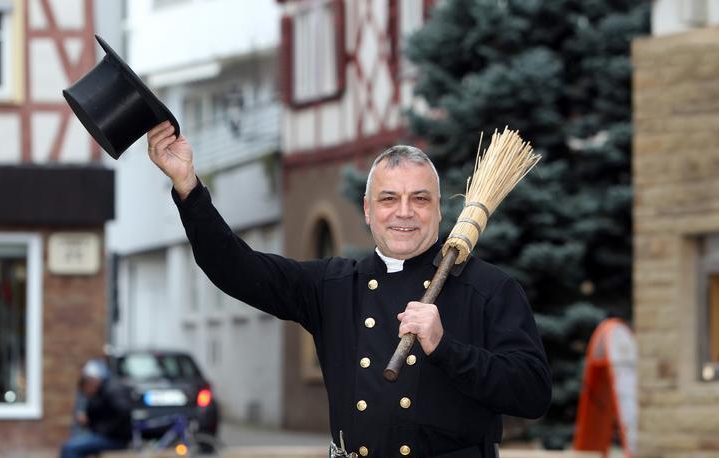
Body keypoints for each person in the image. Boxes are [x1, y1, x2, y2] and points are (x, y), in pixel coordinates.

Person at [147, 121, 552, 458]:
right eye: (389, 198)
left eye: (420, 199)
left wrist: (446, 347)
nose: (404, 212)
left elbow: (533, 394)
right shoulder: (335, 286)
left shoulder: (488, 289)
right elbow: (235, 267)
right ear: (367, 209)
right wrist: (188, 187)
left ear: (440, 208)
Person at [60, 359, 132, 458]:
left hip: (115, 438)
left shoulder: (112, 390)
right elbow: (101, 415)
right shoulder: (100, 392)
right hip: (105, 435)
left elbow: (124, 413)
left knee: (70, 448)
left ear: (93, 380)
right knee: (72, 443)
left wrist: (104, 430)